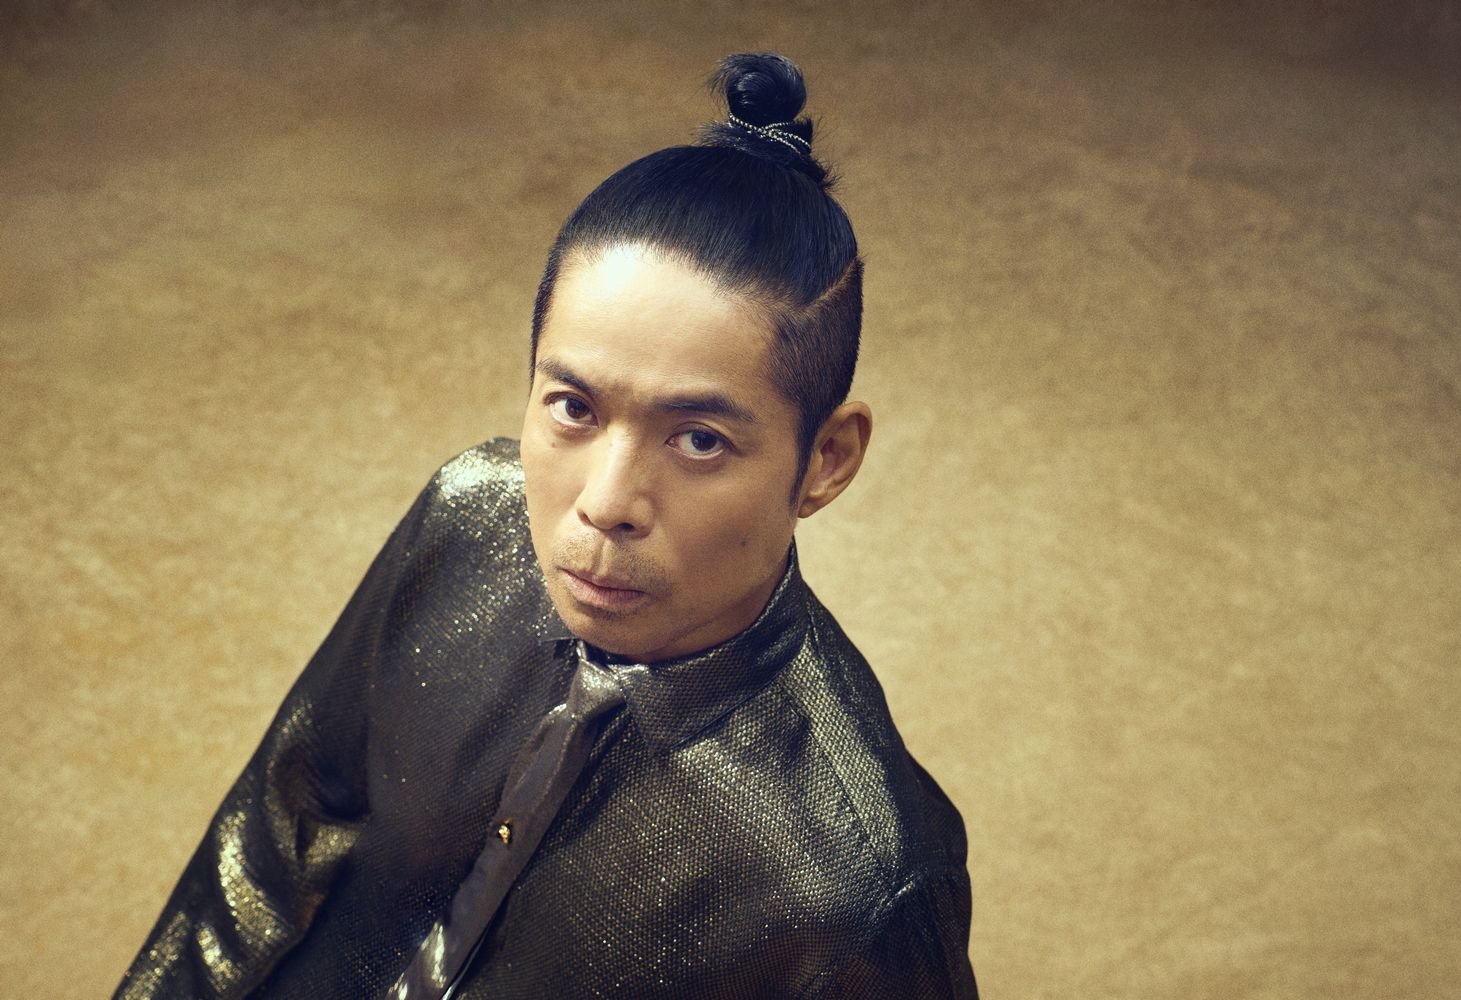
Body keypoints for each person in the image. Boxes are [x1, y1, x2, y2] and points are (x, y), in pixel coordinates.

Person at [117, 52, 976, 999]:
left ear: (827, 460)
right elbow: (276, 830)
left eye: (698, 439)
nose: (606, 502)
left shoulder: (858, 888)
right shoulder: (467, 515)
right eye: (574, 407)